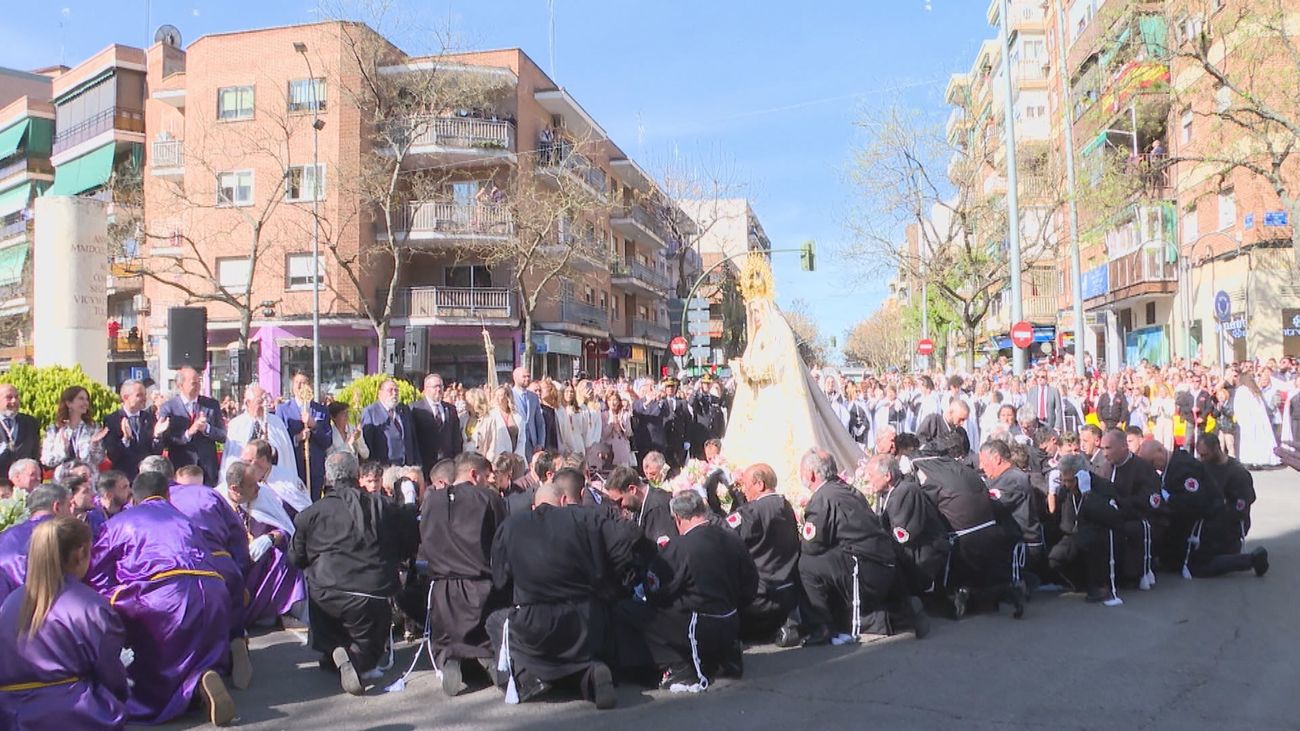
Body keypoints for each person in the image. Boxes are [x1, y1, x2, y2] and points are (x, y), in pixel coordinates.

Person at [87, 471, 235, 725]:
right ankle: (200, 680)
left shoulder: (118, 523)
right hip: (214, 590)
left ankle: (173, 693)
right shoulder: (185, 520)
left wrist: (110, 604)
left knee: (145, 646)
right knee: (194, 646)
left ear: (134, 498)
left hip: (162, 594)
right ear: (168, 495)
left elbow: (97, 575)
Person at [290, 452, 417, 696]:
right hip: (370, 593)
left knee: (321, 601)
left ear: (328, 477)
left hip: (327, 593)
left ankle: (334, 651)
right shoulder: (382, 506)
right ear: (358, 475)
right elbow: (408, 540)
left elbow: (296, 558)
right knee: (368, 646)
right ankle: (355, 659)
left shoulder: (311, 514)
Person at [486, 478, 617, 709]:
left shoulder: (511, 526)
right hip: (582, 618)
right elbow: (601, 571)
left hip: (534, 621)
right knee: (590, 639)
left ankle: (528, 679)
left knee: (495, 621)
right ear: (564, 501)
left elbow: (500, 580)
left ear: (534, 507)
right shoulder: (583, 519)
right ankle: (591, 672)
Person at [613, 489, 758, 692]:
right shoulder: (732, 539)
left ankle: (677, 663)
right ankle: (724, 655)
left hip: (696, 626)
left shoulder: (679, 548)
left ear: (678, 518)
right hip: (731, 621)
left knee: (625, 610)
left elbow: (656, 590)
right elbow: (751, 584)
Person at [0, 518, 130, 729]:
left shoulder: (9, 604)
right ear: (80, 553)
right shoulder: (90, 606)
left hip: (11, 715)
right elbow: (111, 676)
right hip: (74, 714)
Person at [795, 449, 925, 643]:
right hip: (882, 564)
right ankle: (902, 610)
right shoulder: (846, 489)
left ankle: (823, 626)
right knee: (825, 568)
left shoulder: (823, 498)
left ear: (811, 474)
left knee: (806, 565)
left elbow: (812, 547)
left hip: (866, 568)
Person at [420, 452, 507, 696]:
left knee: (447, 639)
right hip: (480, 589)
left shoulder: (431, 501)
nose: (489, 481)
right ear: (473, 474)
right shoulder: (487, 498)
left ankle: (450, 658)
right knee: (487, 634)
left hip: (442, 590)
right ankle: (488, 659)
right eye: (486, 476)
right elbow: (501, 542)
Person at [217, 460, 306, 629]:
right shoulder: (217, 501)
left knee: (284, 556)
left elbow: (286, 530)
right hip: (230, 564)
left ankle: (275, 609)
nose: (258, 488)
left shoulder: (263, 494)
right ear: (235, 489)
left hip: (259, 565)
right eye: (252, 485)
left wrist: (270, 538)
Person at [724, 463, 802, 645]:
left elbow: (723, 530)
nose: (743, 491)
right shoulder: (785, 505)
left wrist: (705, 504)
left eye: (745, 485)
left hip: (760, 594)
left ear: (759, 485)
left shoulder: (754, 512)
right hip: (788, 588)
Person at [866, 454, 950, 601]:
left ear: (887, 476)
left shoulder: (905, 492)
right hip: (912, 549)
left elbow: (901, 536)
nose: (868, 479)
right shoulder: (886, 492)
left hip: (924, 553)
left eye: (872, 475)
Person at [1048, 454, 1125, 606]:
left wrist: (1087, 494)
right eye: (1064, 480)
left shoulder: (1102, 486)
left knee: (1089, 541)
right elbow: (1059, 517)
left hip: (1100, 534)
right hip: (1074, 534)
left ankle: (1100, 586)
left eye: (1070, 480)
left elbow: (1111, 517)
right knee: (1056, 557)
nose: (1067, 484)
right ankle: (1080, 584)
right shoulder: (1065, 490)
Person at [1099, 429, 1163, 590]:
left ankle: (1132, 574)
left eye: (1108, 448)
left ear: (1123, 447)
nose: (1105, 454)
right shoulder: (1104, 468)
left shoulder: (1142, 468)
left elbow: (1150, 500)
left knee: (1130, 530)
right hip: (1110, 516)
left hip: (1136, 516)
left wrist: (1120, 504)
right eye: (1102, 449)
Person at [979, 440, 1038, 609]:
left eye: (984, 461)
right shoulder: (999, 478)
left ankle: (1020, 584)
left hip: (1021, 543)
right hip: (1009, 536)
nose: (982, 466)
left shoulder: (1014, 479)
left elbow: (994, 506)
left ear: (997, 458)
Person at [220, 384, 301, 496]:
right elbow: (232, 457)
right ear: (248, 403)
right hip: (245, 484)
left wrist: (270, 447)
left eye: (265, 399)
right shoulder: (236, 425)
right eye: (260, 401)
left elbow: (285, 454)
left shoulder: (276, 423)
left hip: (274, 483)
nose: (264, 404)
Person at [0, 484, 71, 605]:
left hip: (6, 611)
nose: (71, 512)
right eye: (69, 506)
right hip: (49, 610)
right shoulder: (63, 535)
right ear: (57, 507)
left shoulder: (5, 535)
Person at [158, 366, 228, 485]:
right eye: (193, 383)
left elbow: (222, 436)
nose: (197, 386)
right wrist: (189, 433)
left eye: (198, 382)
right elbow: (166, 440)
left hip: (207, 469)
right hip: (182, 467)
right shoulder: (168, 408)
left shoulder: (211, 405)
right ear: (180, 385)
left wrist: (207, 428)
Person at [278, 372, 331, 502]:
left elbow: (327, 440)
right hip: (293, 467)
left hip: (315, 469)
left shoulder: (320, 410)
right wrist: (297, 438)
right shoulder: (283, 410)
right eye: (297, 383)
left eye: (305, 382)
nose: (301, 386)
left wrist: (314, 426)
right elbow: (280, 440)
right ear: (292, 386)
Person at [102, 379, 165, 480]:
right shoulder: (112, 420)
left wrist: (157, 436)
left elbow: (156, 452)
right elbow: (113, 455)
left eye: (145, 394)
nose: (144, 398)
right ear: (126, 397)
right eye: (139, 395)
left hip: (147, 477)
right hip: (125, 477)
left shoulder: (149, 418)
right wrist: (125, 439)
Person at [604, 465, 677, 548]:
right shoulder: (639, 504)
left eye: (620, 501)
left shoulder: (657, 508)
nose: (619, 507)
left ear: (632, 490)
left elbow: (664, 549)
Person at [40, 385, 108, 473]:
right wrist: (63, 450)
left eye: (87, 399)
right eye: (81, 399)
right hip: (63, 480)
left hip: (87, 480)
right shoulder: (55, 430)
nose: (85, 402)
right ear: (69, 403)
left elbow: (99, 459)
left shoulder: (93, 428)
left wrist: (94, 444)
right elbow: (46, 460)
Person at [412, 373, 463, 477]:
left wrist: (457, 460)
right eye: (435, 387)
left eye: (441, 386)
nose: (439, 390)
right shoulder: (415, 409)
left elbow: (456, 437)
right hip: (425, 464)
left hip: (447, 465)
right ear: (426, 389)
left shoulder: (450, 409)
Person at [360, 379, 417, 466]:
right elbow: (368, 443)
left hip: (406, 466)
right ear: (380, 393)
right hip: (385, 467)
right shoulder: (370, 412)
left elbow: (412, 438)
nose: (394, 393)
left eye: (396, 390)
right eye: (390, 390)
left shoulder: (404, 410)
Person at [1232, 373, 1279, 469]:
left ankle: (1250, 460)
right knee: (1259, 441)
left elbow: (1238, 407)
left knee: (1249, 441)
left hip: (1248, 422)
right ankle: (1260, 460)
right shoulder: (1255, 391)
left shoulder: (1241, 390)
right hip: (1259, 422)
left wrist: (1241, 420)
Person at [0, 384, 41, 479]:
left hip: (25, 482)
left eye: (17, 397)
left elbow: (35, 453)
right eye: (9, 397)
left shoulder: (30, 422)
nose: (14, 401)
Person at [478, 385, 528, 462]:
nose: (497, 398)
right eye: (496, 395)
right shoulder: (491, 415)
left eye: (500, 395)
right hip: (498, 458)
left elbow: (522, 437)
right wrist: (504, 453)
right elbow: (491, 438)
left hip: (517, 458)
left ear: (507, 397)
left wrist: (517, 453)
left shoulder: (517, 415)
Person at [689, 375, 727, 459]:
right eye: (704, 384)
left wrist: (720, 434)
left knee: (713, 461)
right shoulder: (697, 398)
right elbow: (690, 402)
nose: (707, 386)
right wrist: (695, 390)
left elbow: (719, 416)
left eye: (708, 384)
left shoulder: (715, 399)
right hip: (700, 438)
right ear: (701, 385)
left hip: (713, 437)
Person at [510, 367, 546, 457]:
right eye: (524, 377)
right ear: (515, 378)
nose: (527, 379)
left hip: (532, 444)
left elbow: (540, 423)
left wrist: (540, 443)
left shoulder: (533, 397)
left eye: (528, 376)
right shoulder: (509, 396)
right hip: (516, 443)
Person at [601, 391, 636, 468]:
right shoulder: (603, 415)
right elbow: (603, 435)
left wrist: (621, 427)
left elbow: (629, 433)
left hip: (622, 447)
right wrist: (611, 424)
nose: (612, 403)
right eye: (609, 400)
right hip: (609, 448)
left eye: (615, 400)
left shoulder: (625, 415)